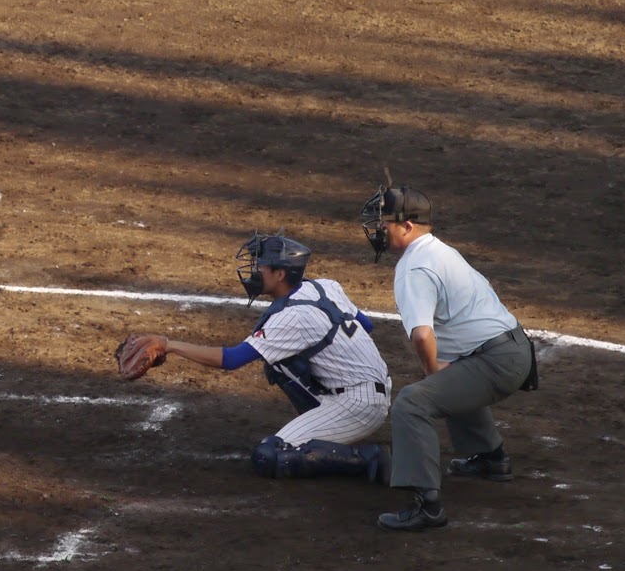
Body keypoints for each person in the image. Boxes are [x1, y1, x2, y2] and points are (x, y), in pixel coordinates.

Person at [122, 232, 393, 483]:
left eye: (260, 266)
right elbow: (366, 326)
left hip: (357, 405)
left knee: (271, 455)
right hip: (373, 387)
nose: (253, 271)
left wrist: (169, 344)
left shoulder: (291, 318)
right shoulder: (326, 287)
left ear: (279, 274)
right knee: (282, 365)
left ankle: (370, 459)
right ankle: (330, 426)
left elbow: (231, 359)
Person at [360, 184, 536, 532]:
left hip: (498, 361)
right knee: (454, 370)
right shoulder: (438, 250)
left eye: (385, 223)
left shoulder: (414, 269)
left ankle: (427, 506)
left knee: (412, 403)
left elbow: (422, 334)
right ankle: (491, 459)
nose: (378, 229)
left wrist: (431, 371)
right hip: (512, 350)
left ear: (407, 226)